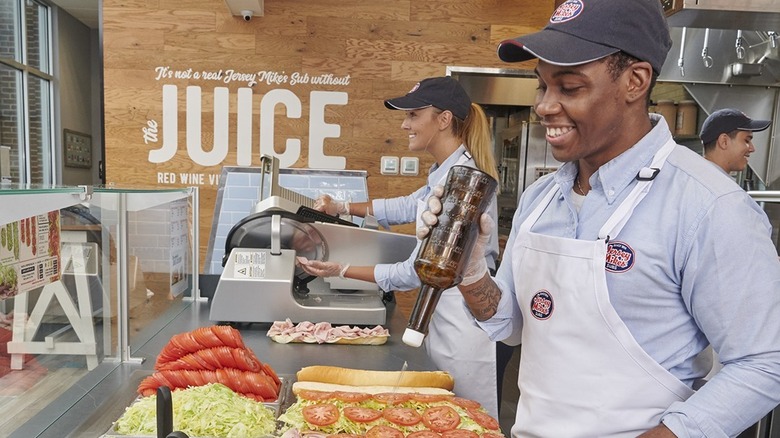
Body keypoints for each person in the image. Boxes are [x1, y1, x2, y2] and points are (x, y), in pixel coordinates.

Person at [418, 0, 780, 437]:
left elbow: (764, 362)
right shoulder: (540, 198)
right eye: (542, 87)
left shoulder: (709, 206)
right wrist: (471, 271)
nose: (545, 107)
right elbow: (510, 326)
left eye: (569, 87)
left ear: (635, 81)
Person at [298, 76, 509, 419]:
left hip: (468, 323)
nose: (404, 123)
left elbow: (414, 271)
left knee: (469, 420)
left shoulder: (463, 182)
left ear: (443, 120)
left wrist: (341, 270)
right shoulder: (445, 170)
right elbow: (409, 204)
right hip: (448, 316)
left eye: (413, 115)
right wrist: (342, 207)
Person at [700, 108, 771, 174]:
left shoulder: (701, 177)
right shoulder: (714, 184)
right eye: (746, 140)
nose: (752, 149)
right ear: (724, 141)